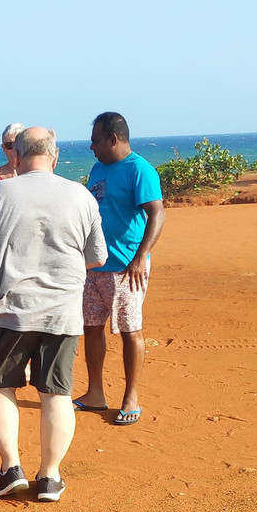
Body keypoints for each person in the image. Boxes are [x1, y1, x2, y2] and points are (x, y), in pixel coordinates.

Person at [0, 127, 107, 502]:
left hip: (9, 312)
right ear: (55, 157)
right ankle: (50, 477)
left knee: (1, 387)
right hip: (62, 314)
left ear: (17, 157)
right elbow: (97, 258)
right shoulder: (81, 196)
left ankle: (11, 468)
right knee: (56, 393)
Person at [73, 112, 166, 426]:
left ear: (113, 139)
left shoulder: (140, 170)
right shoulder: (99, 168)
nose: (91, 147)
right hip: (94, 265)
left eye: (96, 140)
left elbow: (157, 214)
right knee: (92, 328)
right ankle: (95, 393)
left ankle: (131, 397)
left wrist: (141, 258)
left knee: (130, 331)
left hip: (127, 269)